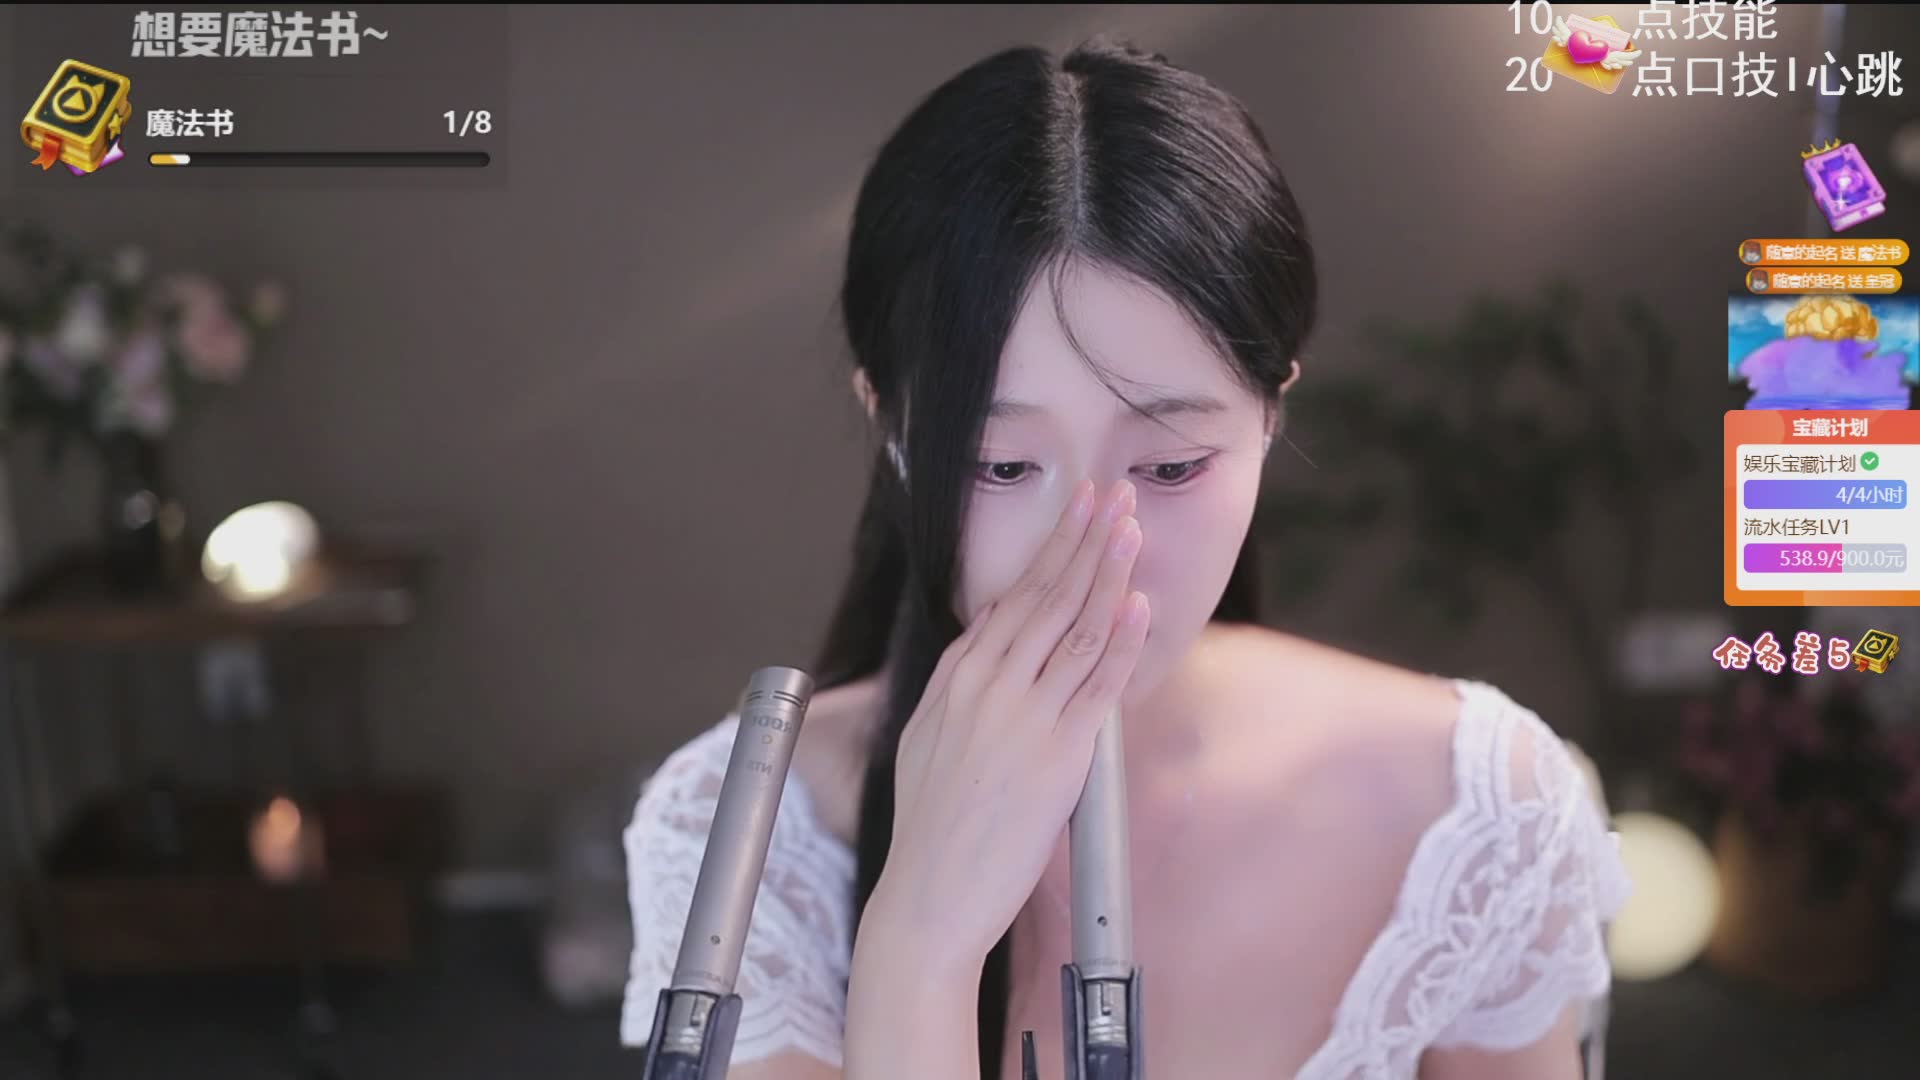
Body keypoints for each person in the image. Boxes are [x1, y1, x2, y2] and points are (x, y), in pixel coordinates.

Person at [622, 38, 1631, 1080]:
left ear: (1271, 413)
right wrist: (919, 947)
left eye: (1173, 465)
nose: (1094, 553)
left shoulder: (1471, 804)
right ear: (895, 432)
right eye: (1001, 465)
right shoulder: (746, 833)